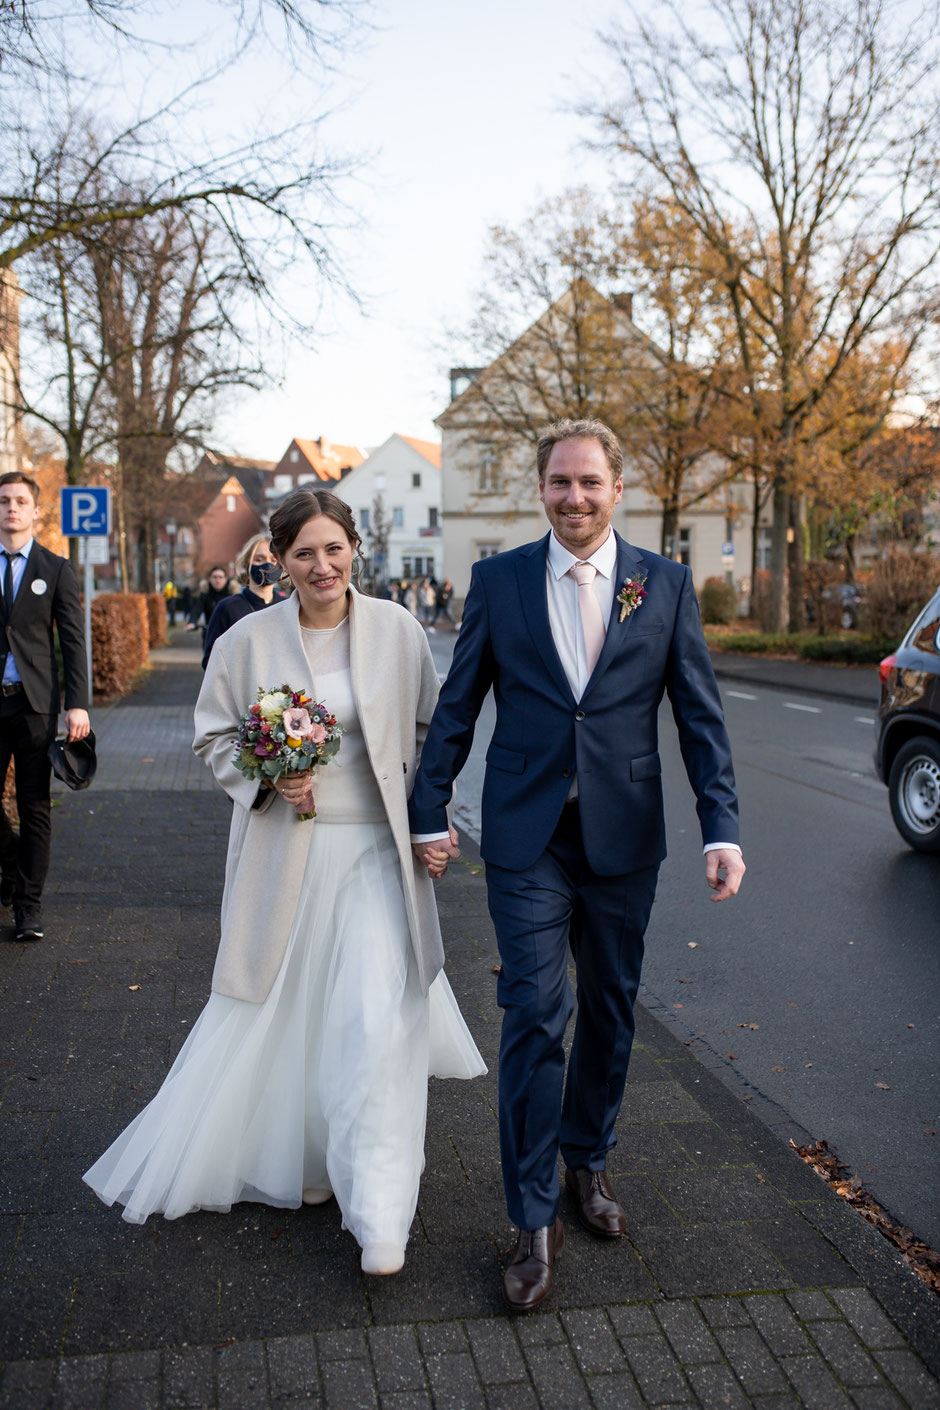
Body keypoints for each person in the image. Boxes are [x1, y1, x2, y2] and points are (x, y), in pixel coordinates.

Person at [84, 487, 485, 1276]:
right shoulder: (248, 640)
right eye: (304, 552)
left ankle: (378, 1211)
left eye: (335, 548)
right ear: (279, 559)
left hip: (377, 854)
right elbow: (211, 736)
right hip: (288, 854)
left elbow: (432, 735)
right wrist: (269, 779)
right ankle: (308, 1162)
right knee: (297, 1013)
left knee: (373, 1020)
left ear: (354, 550)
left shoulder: (398, 631)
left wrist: (433, 823)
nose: (322, 565)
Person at [409, 418, 744, 1311]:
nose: (574, 498)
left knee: (608, 1007)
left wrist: (723, 827)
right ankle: (530, 1217)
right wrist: (427, 807)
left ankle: (586, 1161)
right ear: (542, 489)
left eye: (589, 483)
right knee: (532, 1013)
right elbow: (459, 704)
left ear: (617, 489)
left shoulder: (662, 586)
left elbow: (699, 716)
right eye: (559, 483)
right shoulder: (499, 581)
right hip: (525, 837)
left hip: (625, 837)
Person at [0, 471, 91, 943]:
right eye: (3, 501)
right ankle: (13, 863)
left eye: (20, 501)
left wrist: (77, 705)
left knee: (36, 806)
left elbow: (73, 643)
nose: (11, 508)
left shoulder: (54, 568)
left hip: (35, 706)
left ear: (36, 511)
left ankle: (27, 908)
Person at [201, 533, 283, 668]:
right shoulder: (228, 608)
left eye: (273, 560)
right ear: (246, 565)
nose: (267, 564)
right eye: (259, 559)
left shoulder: (288, 606)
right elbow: (211, 661)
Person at [185, 566, 231, 643]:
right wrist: (192, 622)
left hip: (229, 634)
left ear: (225, 579)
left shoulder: (232, 595)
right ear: (210, 579)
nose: (217, 580)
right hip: (210, 633)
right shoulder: (205, 595)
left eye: (220, 577)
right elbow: (197, 609)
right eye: (215, 577)